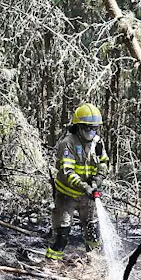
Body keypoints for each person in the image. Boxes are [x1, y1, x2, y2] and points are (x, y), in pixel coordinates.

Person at [45, 103, 110, 261]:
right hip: (66, 196)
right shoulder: (68, 143)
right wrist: (85, 186)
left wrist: (98, 180)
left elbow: (103, 163)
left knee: (93, 231)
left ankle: (93, 261)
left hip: (87, 197)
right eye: (88, 128)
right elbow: (68, 172)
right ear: (79, 127)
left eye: (94, 128)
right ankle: (51, 264)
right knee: (62, 232)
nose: (91, 132)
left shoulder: (97, 142)